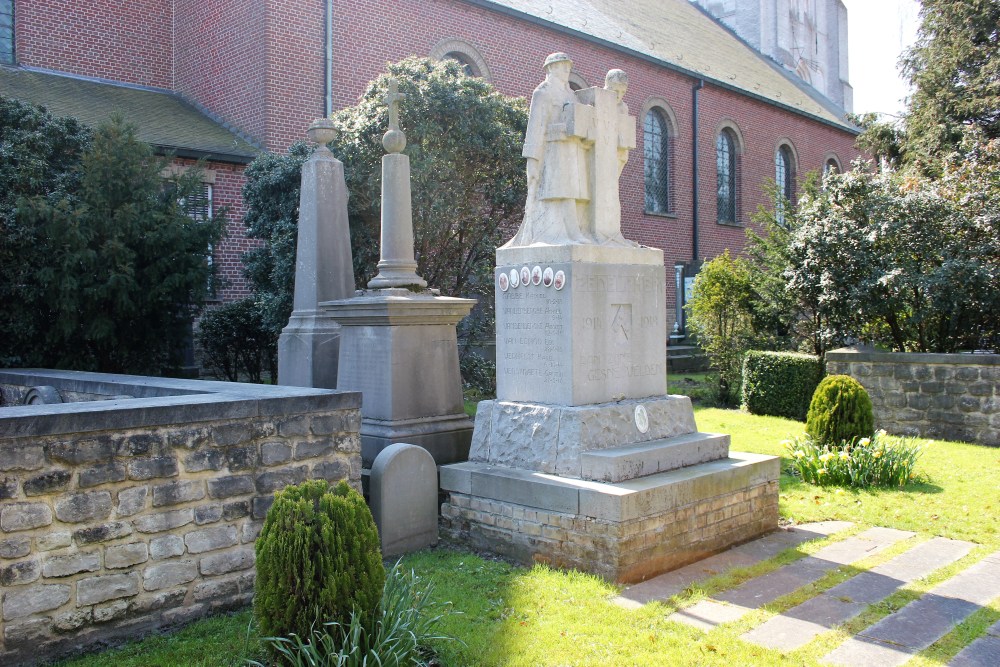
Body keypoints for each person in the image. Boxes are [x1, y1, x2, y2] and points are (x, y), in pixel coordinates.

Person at [503, 53, 590, 246]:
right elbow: (535, 128)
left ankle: (574, 232)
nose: (567, 71)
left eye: (568, 67)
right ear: (551, 68)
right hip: (553, 151)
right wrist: (532, 160)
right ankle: (568, 233)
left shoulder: (571, 94)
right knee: (563, 191)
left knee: (573, 192)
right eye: (562, 66)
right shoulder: (543, 93)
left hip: (572, 150)